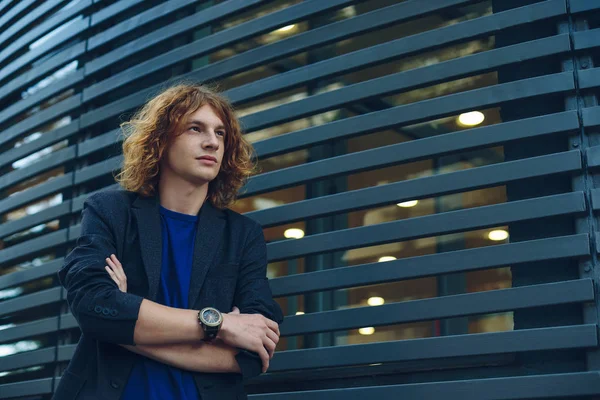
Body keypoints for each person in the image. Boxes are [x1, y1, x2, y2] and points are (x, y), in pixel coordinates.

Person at [54, 83, 284, 399]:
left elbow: (254, 352)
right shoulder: (111, 211)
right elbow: (93, 305)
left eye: (220, 133)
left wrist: (123, 327)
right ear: (161, 141)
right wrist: (220, 325)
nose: (212, 142)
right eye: (195, 128)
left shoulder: (243, 235)